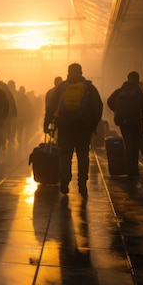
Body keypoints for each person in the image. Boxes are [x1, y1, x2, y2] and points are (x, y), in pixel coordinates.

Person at [44, 63, 103, 196]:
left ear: (68, 72)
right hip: (83, 127)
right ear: (81, 72)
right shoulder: (89, 87)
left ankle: (65, 179)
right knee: (83, 155)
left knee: (65, 154)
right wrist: (93, 124)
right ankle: (82, 183)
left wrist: (47, 123)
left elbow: (51, 106)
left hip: (64, 126)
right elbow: (97, 107)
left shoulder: (62, 87)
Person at [107, 71, 143, 177]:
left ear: (128, 79)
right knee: (135, 146)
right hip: (137, 123)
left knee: (128, 144)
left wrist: (117, 110)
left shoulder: (120, 91)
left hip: (124, 123)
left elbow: (109, 101)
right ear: (137, 79)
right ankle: (134, 170)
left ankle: (129, 170)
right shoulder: (140, 93)